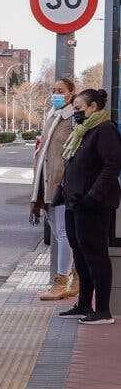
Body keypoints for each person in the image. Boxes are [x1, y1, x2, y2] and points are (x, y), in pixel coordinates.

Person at [56, 88, 121, 325]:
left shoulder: (105, 130)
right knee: (81, 256)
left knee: (96, 256)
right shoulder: (84, 130)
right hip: (75, 203)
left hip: (93, 205)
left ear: (93, 107)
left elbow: (110, 167)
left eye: (79, 109)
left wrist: (92, 197)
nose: (76, 114)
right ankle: (84, 304)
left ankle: (103, 311)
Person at [30, 77, 79, 300]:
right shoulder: (52, 114)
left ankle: (62, 281)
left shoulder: (73, 119)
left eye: (60, 90)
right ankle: (75, 278)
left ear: (71, 93)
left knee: (64, 232)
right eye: (53, 90)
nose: (56, 94)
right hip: (46, 181)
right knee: (58, 232)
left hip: (61, 181)